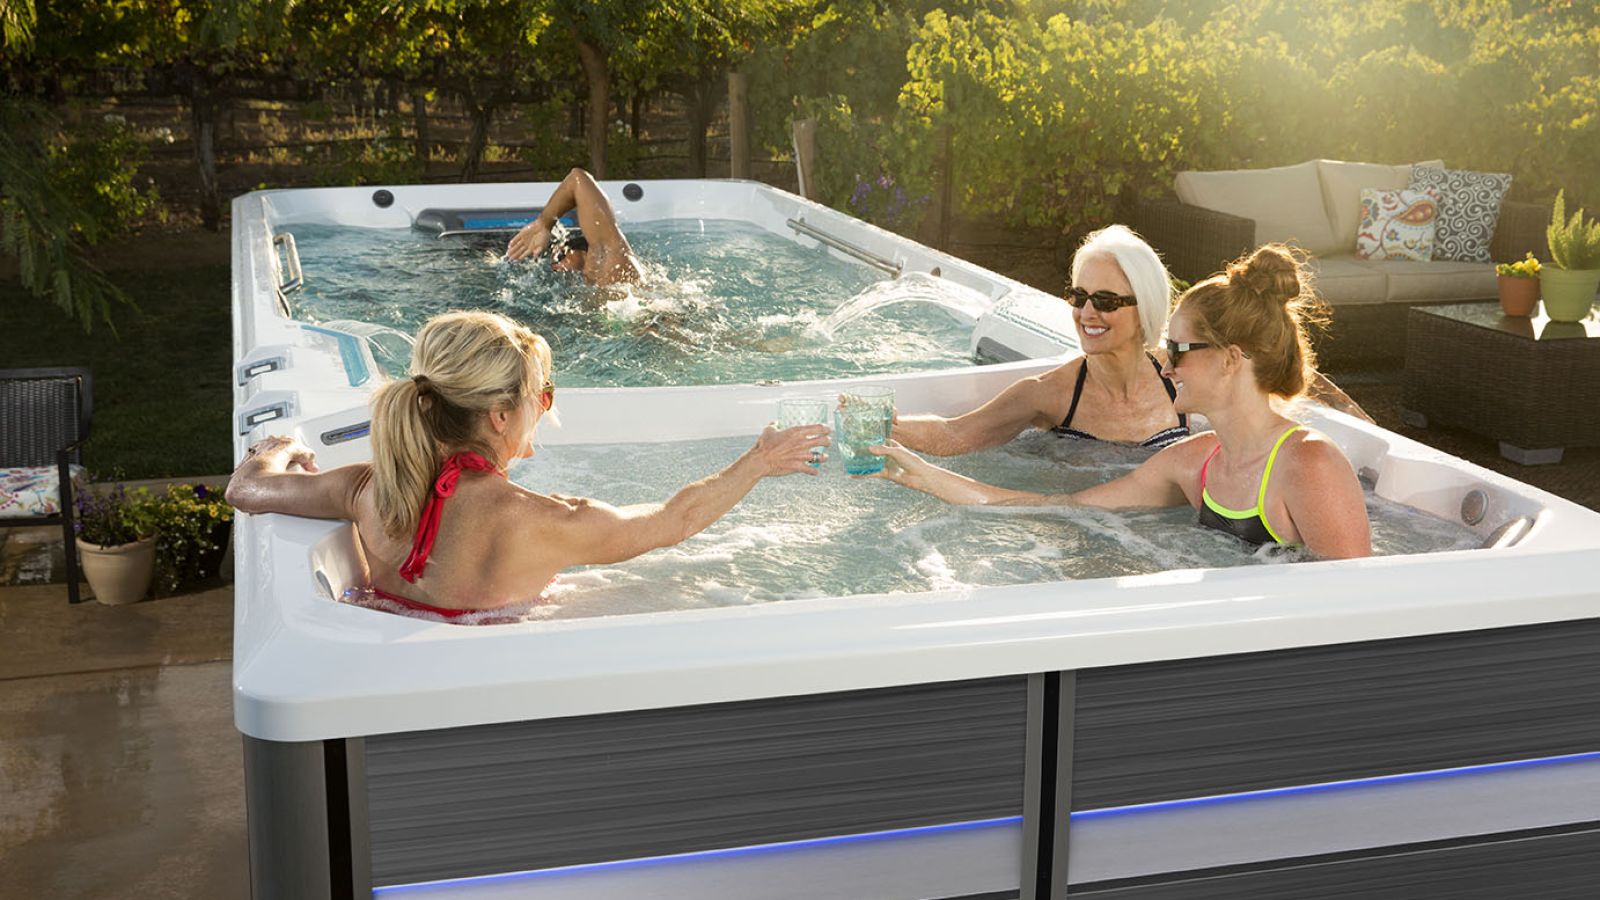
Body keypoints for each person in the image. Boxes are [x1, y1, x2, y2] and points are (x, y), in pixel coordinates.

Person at [225, 310, 828, 617]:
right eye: (540, 397)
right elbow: (673, 521)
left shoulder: (364, 489)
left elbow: (248, 489)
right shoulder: (547, 521)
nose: (544, 409)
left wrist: (278, 447)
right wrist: (758, 461)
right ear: (499, 417)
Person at [869, 244, 1373, 560]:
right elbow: (1063, 507)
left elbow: (1364, 612)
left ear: (1230, 358)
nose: (1167, 363)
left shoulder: (1308, 463)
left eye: (1178, 349)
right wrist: (929, 477)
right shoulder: (1192, 462)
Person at [891, 225, 1370, 457]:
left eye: (1105, 300)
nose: (1086, 313)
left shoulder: (1183, 376)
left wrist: (1366, 428)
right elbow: (955, 435)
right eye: (1078, 296)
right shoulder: (1052, 395)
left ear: (1146, 308)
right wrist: (875, 422)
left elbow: (1273, 371)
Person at [506, 167, 643, 286]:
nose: (556, 266)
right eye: (553, 266)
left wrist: (543, 224)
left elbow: (577, 178)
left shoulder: (610, 261)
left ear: (585, 252)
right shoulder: (589, 287)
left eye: (561, 256)